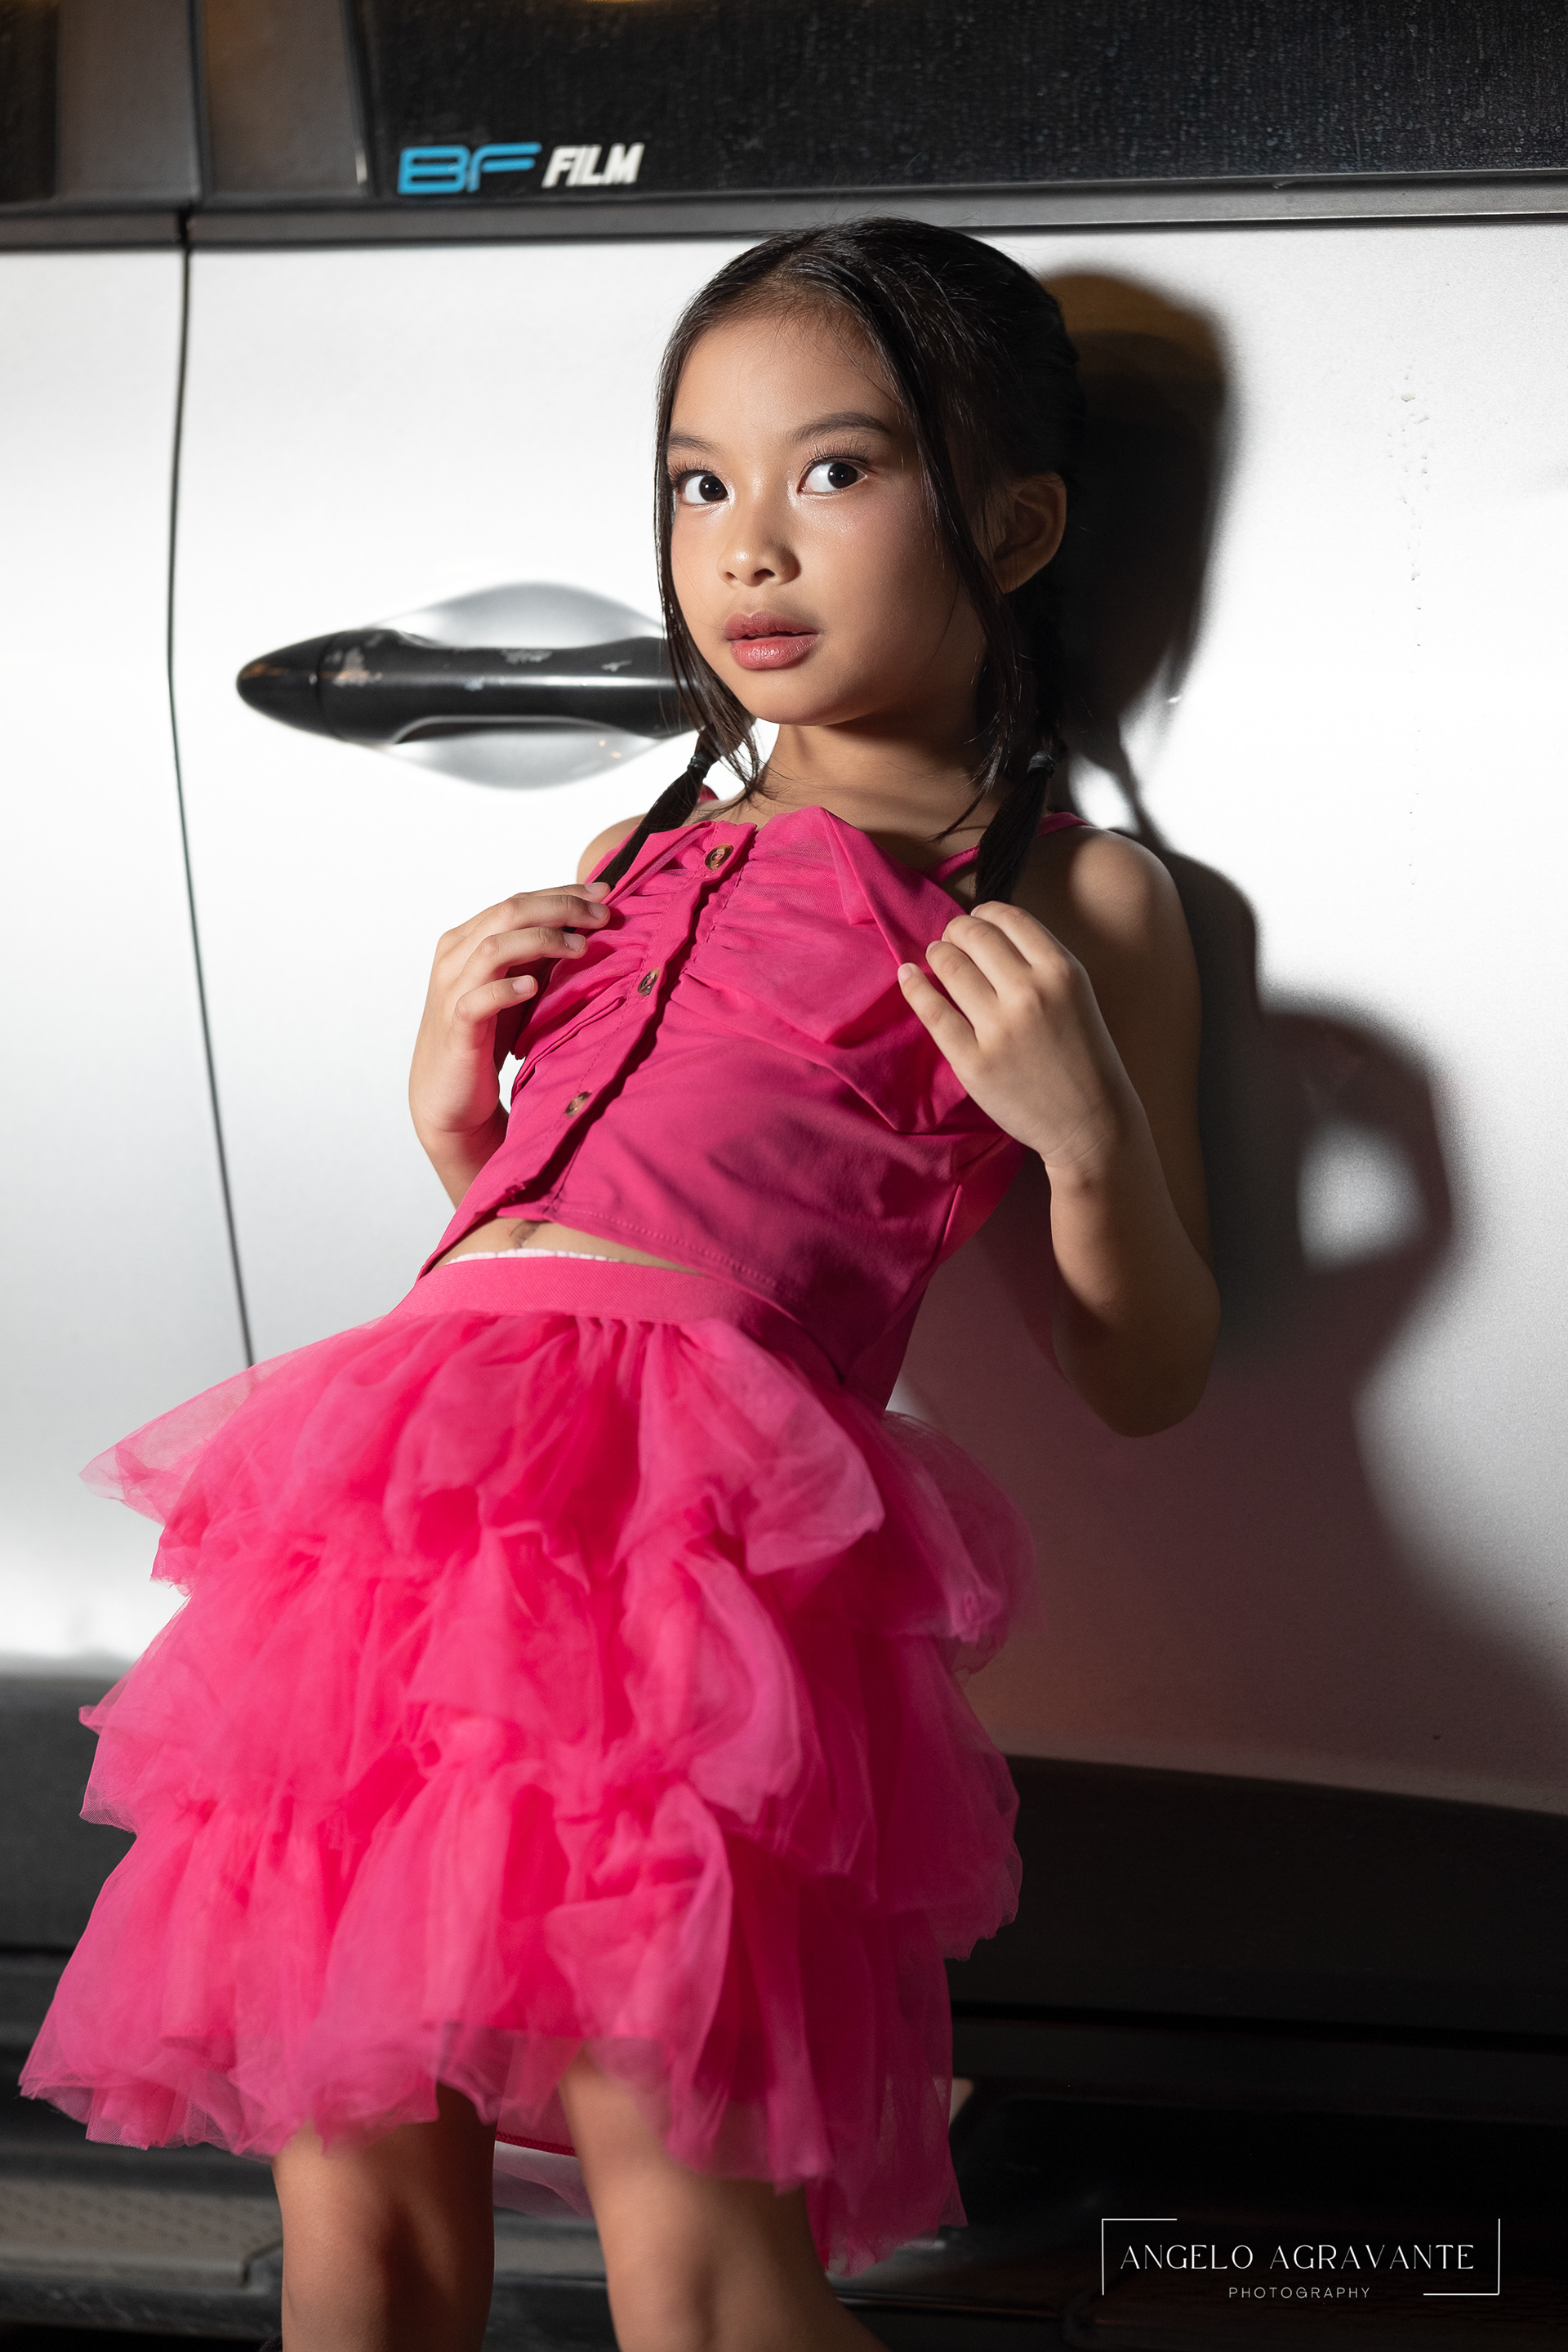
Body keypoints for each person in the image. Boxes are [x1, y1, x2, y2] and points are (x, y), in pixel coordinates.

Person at [22, 219, 1218, 2352]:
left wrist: (1089, 1134)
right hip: (402, 1529)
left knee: (698, 2270)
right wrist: (455, 1125)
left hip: (679, 1566)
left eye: (834, 473)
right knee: (360, 2230)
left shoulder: (1064, 896)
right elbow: (578, 1229)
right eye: (697, 483)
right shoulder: (627, 860)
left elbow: (1147, 1370)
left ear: (1016, 526)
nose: (748, 546)